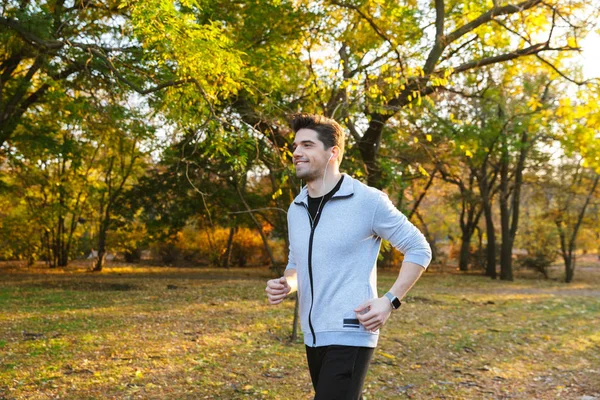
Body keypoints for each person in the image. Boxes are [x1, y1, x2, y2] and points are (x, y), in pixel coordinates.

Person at [265, 113, 432, 400]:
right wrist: (287, 284)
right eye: (295, 146)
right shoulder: (296, 207)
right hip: (313, 334)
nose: (296, 153)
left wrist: (390, 301)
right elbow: (296, 263)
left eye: (307, 145)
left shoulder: (368, 201)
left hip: (352, 329)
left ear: (333, 153)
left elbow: (419, 248)